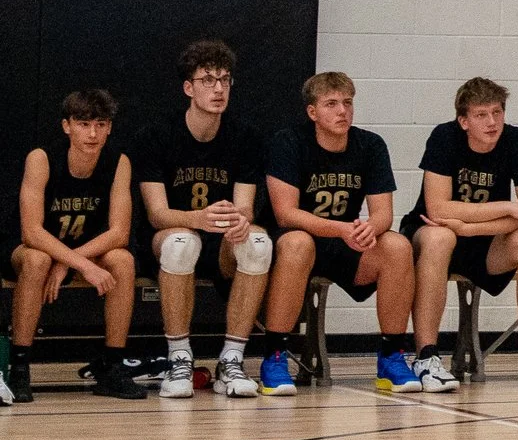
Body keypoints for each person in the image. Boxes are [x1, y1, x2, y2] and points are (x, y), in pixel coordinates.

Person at [404, 77, 518, 391]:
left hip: (483, 240)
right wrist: (508, 207)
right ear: (464, 121)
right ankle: (426, 357)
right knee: (441, 237)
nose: (492, 122)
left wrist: (470, 227)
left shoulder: (517, 140)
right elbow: (438, 210)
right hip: (433, 234)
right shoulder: (444, 137)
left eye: (497, 112)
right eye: (482, 115)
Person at [260, 72, 418, 395]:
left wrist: (368, 228)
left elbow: (384, 213)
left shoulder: (370, 145)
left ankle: (392, 356)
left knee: (398, 246)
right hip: (297, 241)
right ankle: (274, 357)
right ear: (312, 112)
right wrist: (343, 228)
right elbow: (285, 214)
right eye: (331, 104)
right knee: (298, 242)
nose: (342, 111)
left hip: (345, 242)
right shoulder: (288, 142)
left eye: (347, 103)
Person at [133, 39, 272, 400]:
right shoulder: (157, 135)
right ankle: (179, 357)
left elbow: (245, 206)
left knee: (258, 242)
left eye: (225, 80)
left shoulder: (245, 136)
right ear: (188, 88)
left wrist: (242, 221)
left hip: (221, 239)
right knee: (182, 243)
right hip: (171, 235)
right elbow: (157, 214)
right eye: (208, 80)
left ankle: (231, 360)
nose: (218, 88)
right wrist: (198, 218)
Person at [10, 89, 145, 400]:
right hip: (36, 247)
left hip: (84, 248)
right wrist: (78, 264)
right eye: (83, 124)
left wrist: (68, 262)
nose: (93, 133)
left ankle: (111, 367)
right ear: (66, 126)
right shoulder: (42, 158)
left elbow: (119, 232)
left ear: (110, 127)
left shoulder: (118, 162)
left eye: (100, 124)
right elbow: (32, 232)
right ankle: (19, 367)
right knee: (37, 260)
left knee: (122, 260)